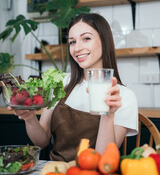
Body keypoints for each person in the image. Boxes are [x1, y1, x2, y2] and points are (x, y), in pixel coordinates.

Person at [11, 13, 138, 162]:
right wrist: (30, 118)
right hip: (56, 174)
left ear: (105, 41)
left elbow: (104, 158)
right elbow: (42, 141)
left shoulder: (124, 96)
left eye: (86, 39)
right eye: (72, 42)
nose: (77, 48)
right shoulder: (60, 82)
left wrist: (108, 115)